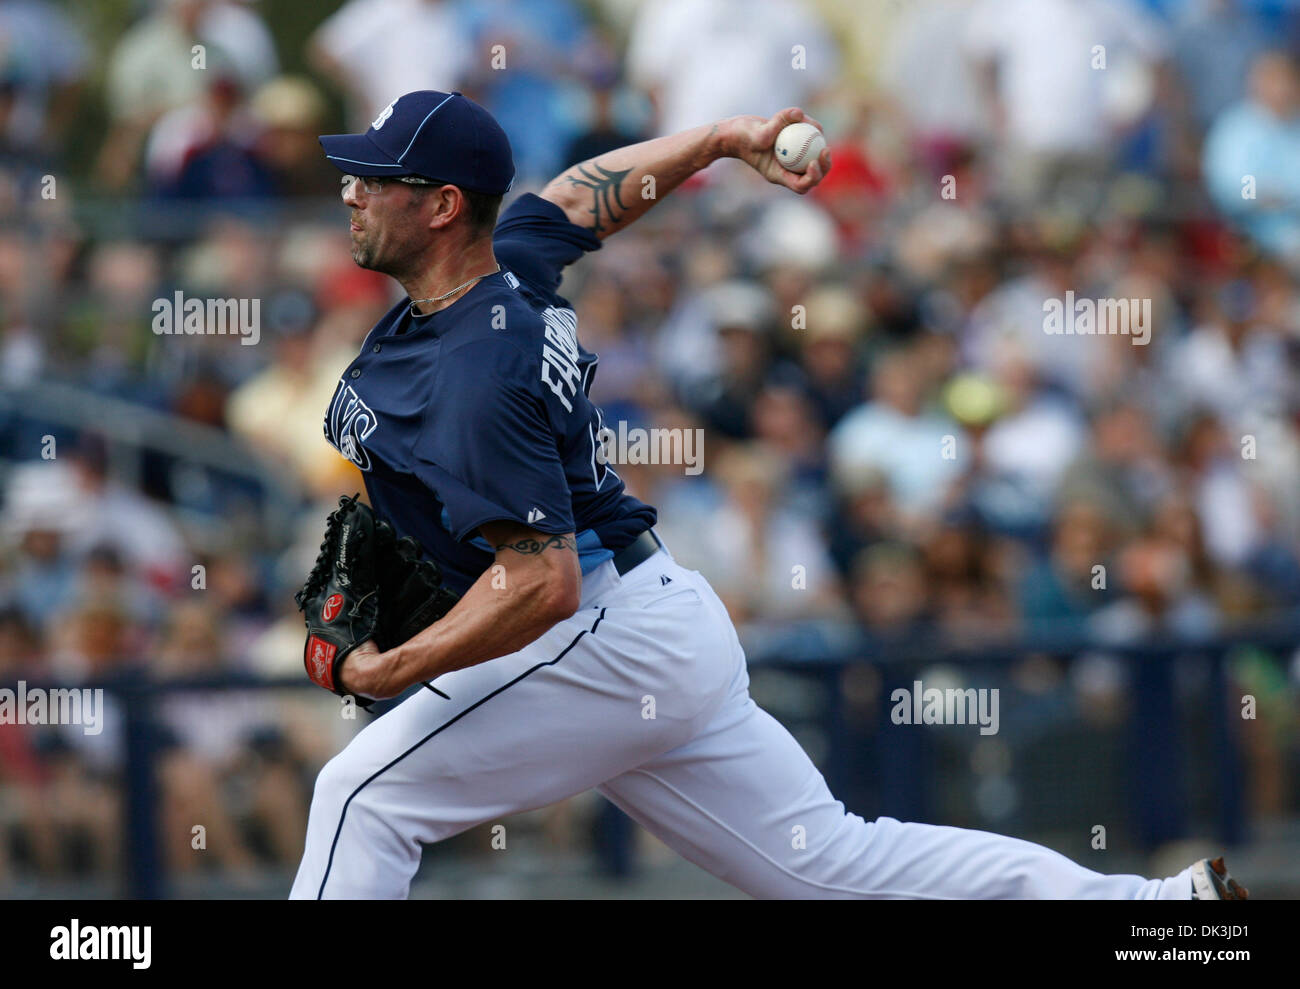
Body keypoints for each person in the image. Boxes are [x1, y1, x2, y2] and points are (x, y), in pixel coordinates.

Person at [289, 89, 1245, 900]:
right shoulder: (508, 276)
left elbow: (541, 584)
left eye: (377, 179)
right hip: (652, 625)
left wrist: (398, 665)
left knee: (363, 797)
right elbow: (578, 201)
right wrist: (714, 141)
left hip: (594, 638)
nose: (352, 193)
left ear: (444, 205)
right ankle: (1157, 908)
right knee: (832, 863)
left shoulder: (477, 369)